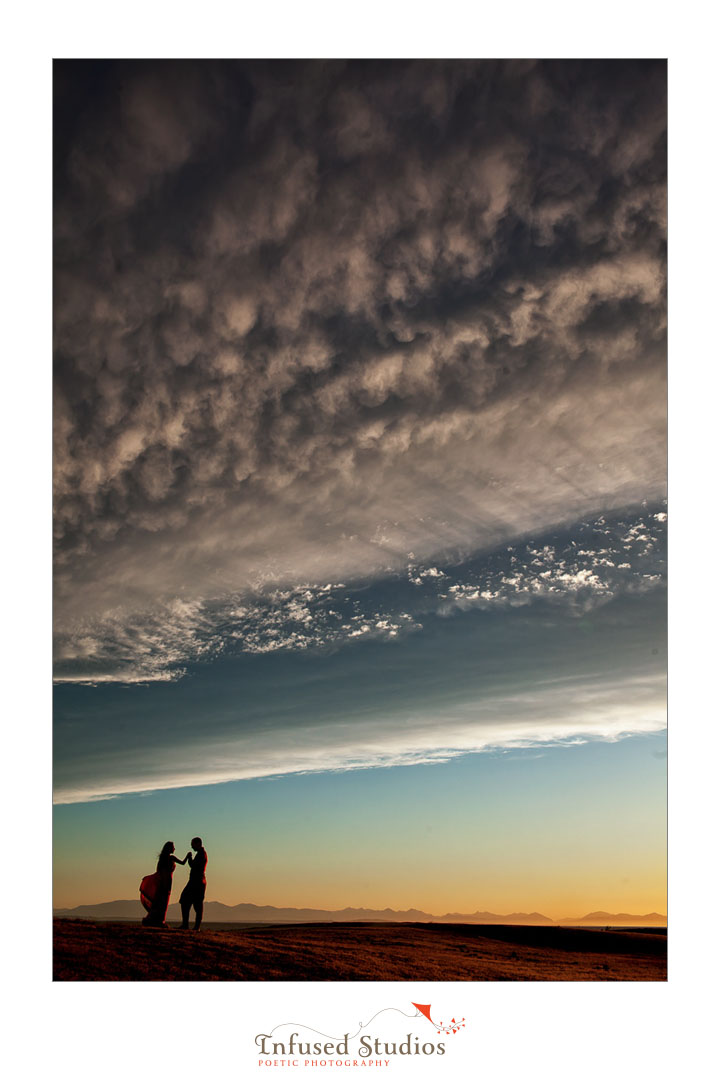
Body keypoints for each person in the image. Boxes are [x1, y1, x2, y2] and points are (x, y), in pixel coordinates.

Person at [139, 842, 188, 928]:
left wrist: (188, 857)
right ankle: (159, 921)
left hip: (164, 881)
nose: (174, 849)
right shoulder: (168, 858)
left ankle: (156, 920)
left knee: (160, 902)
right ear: (169, 848)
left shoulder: (165, 858)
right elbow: (183, 863)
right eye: (173, 847)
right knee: (162, 902)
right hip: (165, 882)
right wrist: (187, 857)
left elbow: (182, 863)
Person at [179, 837, 208, 930]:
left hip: (197, 882)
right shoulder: (201, 854)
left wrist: (189, 858)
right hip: (196, 881)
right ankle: (187, 925)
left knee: (196, 904)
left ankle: (194, 926)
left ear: (198, 844)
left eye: (193, 844)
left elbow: (194, 866)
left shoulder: (202, 854)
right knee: (186, 901)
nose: (191, 846)